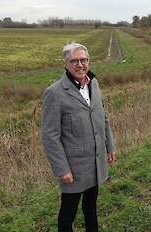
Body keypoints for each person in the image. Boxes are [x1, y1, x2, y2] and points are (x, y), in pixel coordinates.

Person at [41, 42, 116, 232]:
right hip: (73, 169)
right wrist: (62, 169)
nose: (80, 65)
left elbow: (102, 117)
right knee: (68, 216)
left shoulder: (94, 83)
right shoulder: (55, 93)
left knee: (91, 209)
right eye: (74, 61)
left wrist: (110, 146)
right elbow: (50, 136)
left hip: (96, 162)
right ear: (65, 63)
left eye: (84, 60)